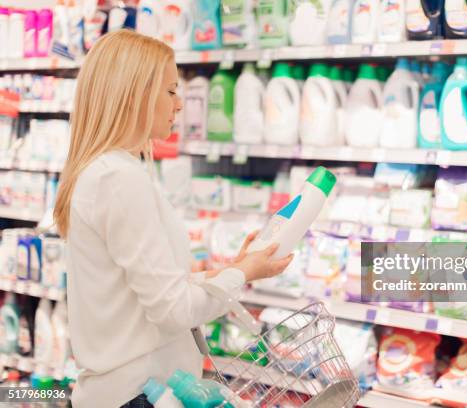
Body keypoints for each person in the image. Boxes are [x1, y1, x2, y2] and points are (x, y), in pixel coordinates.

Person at [53, 30, 293, 408]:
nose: (179, 104)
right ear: (135, 95)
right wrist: (243, 274)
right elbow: (173, 310)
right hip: (136, 395)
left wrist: (235, 269)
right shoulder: (118, 178)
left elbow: (144, 289)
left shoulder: (108, 171)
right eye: (170, 91)